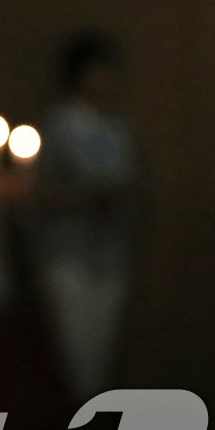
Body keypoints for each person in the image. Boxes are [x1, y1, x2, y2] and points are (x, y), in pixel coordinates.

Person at [33, 30, 143, 398]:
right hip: (68, 257)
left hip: (109, 256)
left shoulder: (116, 129)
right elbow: (40, 193)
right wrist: (89, 198)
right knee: (71, 359)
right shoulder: (59, 125)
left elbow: (131, 186)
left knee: (98, 360)